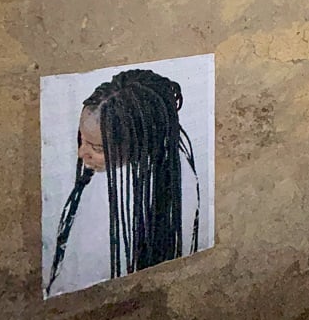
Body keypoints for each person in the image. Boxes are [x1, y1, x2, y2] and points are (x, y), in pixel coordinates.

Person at [45, 69, 199, 297]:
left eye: (96, 148)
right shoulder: (95, 179)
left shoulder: (174, 186)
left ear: (137, 144)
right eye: (81, 140)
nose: (81, 153)